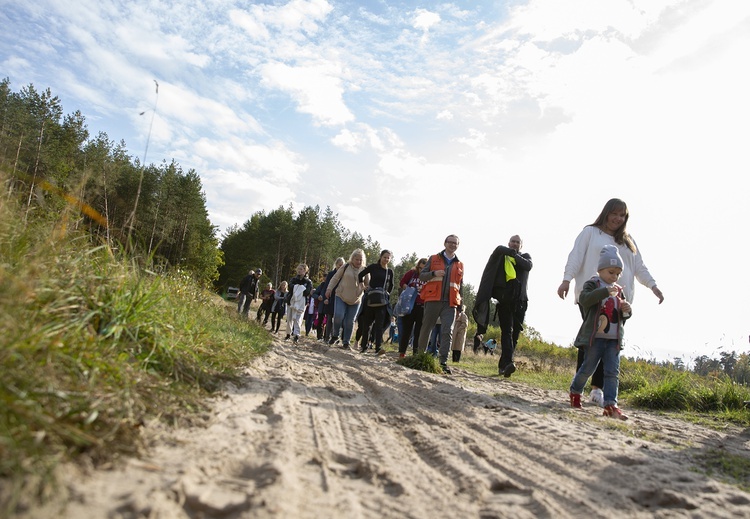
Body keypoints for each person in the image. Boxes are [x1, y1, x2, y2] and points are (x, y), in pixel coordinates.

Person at [557, 198, 664, 406]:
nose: (618, 218)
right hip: (592, 296)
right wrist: (566, 280)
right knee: (592, 340)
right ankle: (578, 388)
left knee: (609, 343)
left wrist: (653, 286)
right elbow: (576, 256)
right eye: (614, 213)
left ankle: (598, 390)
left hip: (619, 301)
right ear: (606, 213)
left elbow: (639, 267)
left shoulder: (628, 241)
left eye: (622, 215)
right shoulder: (590, 232)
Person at [569, 245, 632, 420]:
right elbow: (585, 300)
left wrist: (627, 310)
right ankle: (575, 392)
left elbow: (622, 317)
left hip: (613, 339)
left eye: (618, 273)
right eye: (611, 272)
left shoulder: (619, 290)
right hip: (595, 337)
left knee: (612, 372)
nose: (615, 276)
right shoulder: (593, 283)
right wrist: (604, 291)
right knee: (588, 368)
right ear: (601, 269)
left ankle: (611, 404)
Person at [473, 235, 533, 378]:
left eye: (517, 242)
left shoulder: (525, 257)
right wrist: (509, 253)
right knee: (506, 331)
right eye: (512, 241)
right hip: (505, 301)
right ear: (508, 243)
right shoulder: (501, 256)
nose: (514, 244)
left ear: (521, 245)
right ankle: (508, 363)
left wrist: (513, 254)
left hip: (521, 301)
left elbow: (528, 266)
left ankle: (503, 366)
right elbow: (498, 249)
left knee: (515, 335)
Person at [417, 235, 464, 374]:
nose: (452, 245)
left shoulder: (460, 264)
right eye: (450, 242)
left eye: (455, 243)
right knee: (426, 328)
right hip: (433, 299)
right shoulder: (434, 258)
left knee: (447, 331)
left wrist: (461, 306)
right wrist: (434, 273)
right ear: (445, 243)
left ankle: (443, 362)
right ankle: (421, 357)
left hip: (450, 303)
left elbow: (460, 286)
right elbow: (422, 276)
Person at [326, 249, 367, 350]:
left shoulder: (365, 270)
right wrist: (329, 289)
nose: (358, 262)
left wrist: (365, 287)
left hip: (356, 299)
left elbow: (368, 284)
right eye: (356, 259)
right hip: (341, 295)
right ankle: (335, 335)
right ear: (352, 258)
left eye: (360, 260)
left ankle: (346, 342)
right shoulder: (346, 266)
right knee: (338, 316)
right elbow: (335, 278)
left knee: (350, 321)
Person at [357, 250, 395, 355]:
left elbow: (391, 285)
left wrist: (387, 293)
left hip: (382, 301)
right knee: (367, 324)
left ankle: (378, 348)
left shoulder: (390, 271)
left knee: (379, 325)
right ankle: (363, 346)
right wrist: (363, 286)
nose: (386, 259)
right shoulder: (373, 267)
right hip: (370, 299)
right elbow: (360, 275)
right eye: (384, 257)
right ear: (380, 257)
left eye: (388, 258)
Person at [397, 258, 427, 358]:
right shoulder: (412, 273)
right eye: (420, 268)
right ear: (417, 266)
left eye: (424, 269)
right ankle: (402, 352)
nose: (421, 270)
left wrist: (424, 288)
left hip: (422, 305)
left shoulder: (429, 277)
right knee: (407, 330)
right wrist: (409, 289)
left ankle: (415, 354)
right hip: (410, 305)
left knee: (419, 332)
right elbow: (402, 283)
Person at [318, 258, 345, 342]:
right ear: (336, 265)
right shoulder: (331, 274)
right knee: (329, 318)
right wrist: (326, 298)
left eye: (342, 265)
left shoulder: (344, 275)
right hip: (331, 297)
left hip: (340, 297)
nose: (341, 266)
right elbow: (327, 286)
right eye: (339, 265)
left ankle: (335, 336)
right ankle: (327, 337)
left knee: (338, 318)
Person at [286, 264, 313, 343]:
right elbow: (290, 287)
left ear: (305, 271)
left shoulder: (308, 281)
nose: (299, 271)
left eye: (301, 269)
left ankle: (296, 335)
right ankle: (288, 334)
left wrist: (298, 288)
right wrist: (298, 287)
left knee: (298, 319)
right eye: (298, 269)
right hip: (291, 300)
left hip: (302, 302)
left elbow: (307, 292)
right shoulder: (293, 279)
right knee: (290, 318)